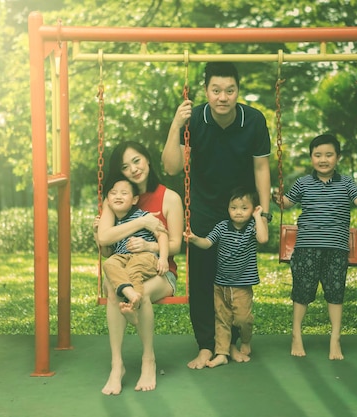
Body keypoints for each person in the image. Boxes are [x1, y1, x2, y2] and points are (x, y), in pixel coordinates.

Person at [162, 61, 272, 369]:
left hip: (240, 209)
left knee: (235, 278)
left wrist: (263, 212)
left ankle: (231, 344)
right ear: (206, 91)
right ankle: (206, 346)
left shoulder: (253, 120)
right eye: (215, 90)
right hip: (203, 207)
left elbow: (261, 167)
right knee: (202, 279)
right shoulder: (193, 119)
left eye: (230, 90)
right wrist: (175, 124)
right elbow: (171, 167)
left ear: (237, 90)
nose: (222, 97)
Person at [272, 134, 357, 360]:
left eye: (329, 155)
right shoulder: (303, 183)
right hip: (307, 247)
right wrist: (277, 197)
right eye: (318, 155)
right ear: (311, 158)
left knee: (335, 293)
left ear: (337, 157)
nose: (323, 159)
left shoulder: (346, 183)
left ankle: (335, 339)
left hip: (337, 248)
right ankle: (296, 335)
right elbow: (287, 202)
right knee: (302, 292)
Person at [95, 141, 184, 394]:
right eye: (125, 166)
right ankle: (117, 366)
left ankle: (148, 360)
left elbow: (176, 244)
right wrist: (142, 222)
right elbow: (104, 239)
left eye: (136, 160)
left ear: (147, 159)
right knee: (114, 288)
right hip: (123, 266)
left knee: (140, 291)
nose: (133, 169)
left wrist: (150, 246)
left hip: (160, 271)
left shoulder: (170, 197)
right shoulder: (115, 197)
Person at [184, 187, 268, 368]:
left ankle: (245, 340)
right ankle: (222, 353)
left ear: (252, 210)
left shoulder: (253, 228)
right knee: (222, 320)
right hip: (221, 285)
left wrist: (258, 217)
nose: (238, 212)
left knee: (242, 319)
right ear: (228, 209)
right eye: (234, 207)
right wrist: (194, 238)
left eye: (244, 208)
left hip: (242, 286)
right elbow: (207, 243)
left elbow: (262, 239)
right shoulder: (222, 227)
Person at [96, 174, 169, 317]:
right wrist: (95, 231)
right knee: (109, 264)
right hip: (122, 257)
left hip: (145, 256)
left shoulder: (143, 216)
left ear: (135, 200)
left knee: (133, 270)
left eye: (124, 193)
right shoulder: (112, 227)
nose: (118, 196)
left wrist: (163, 258)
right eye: (113, 193)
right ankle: (130, 295)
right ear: (108, 201)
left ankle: (134, 303)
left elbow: (163, 234)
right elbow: (106, 252)